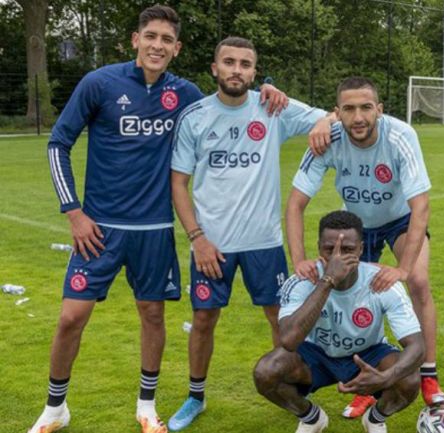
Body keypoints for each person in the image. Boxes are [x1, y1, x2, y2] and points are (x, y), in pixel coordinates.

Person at [30, 6, 285, 433]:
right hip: (99, 230)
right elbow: (59, 143)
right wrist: (73, 212)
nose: (157, 45)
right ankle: (55, 408)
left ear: (177, 48)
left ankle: (146, 406)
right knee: (71, 317)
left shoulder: (184, 95)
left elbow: (229, 99)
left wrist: (270, 90)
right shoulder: (100, 83)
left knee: (153, 316)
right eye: (151, 36)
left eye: (166, 40)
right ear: (135, 40)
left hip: (154, 230)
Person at [167, 36, 331, 431]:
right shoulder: (195, 117)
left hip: (264, 242)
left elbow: (331, 116)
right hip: (212, 246)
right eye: (229, 62)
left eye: (245, 64)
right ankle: (195, 397)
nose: (236, 70)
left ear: (254, 72)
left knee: (281, 320)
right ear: (214, 68)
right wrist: (197, 238)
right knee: (204, 320)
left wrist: (323, 119)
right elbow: (178, 184)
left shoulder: (272, 107)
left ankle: (291, 391)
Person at [285, 76, 444, 417]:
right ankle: (365, 379)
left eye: (366, 108)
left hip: (399, 220)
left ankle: (428, 374)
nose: (358, 117)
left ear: (380, 110)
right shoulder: (328, 138)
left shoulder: (401, 136)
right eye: (349, 109)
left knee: (417, 281)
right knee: (350, 292)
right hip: (355, 228)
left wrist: (402, 269)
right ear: (338, 113)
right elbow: (295, 203)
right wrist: (298, 260)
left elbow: (421, 206)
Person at [254, 210, 425, 433]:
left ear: (361, 249)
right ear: (318, 247)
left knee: (409, 379)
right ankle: (312, 418)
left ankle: (375, 420)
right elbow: (287, 340)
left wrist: (386, 376)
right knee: (266, 371)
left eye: (347, 250)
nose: (337, 257)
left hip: (368, 353)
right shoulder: (302, 281)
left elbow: (418, 347)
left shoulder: (382, 282)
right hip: (316, 355)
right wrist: (328, 280)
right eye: (329, 249)